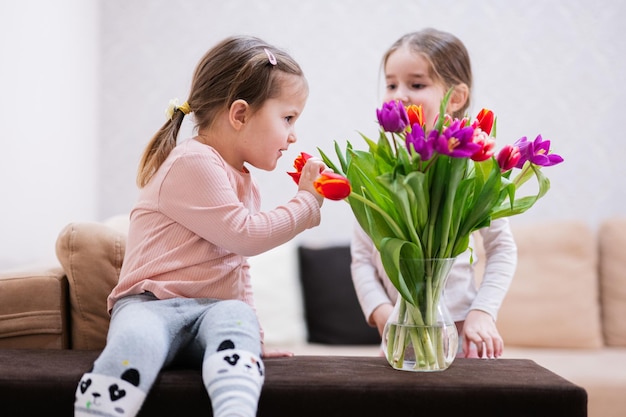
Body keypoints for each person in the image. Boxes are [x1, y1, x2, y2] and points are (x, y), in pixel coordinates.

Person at [74, 35, 328, 417]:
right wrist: (306, 204)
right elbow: (244, 236)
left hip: (211, 313)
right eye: (288, 118)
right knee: (136, 339)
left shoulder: (243, 180)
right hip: (151, 305)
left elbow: (235, 265)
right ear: (240, 114)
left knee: (236, 319)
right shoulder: (193, 161)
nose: (293, 135)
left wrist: (252, 337)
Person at [351, 28, 517, 360]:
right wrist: (382, 313)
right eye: (391, 84)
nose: (399, 95)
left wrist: (482, 312)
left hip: (459, 330)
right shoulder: (380, 170)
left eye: (416, 85)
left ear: (455, 98)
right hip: (400, 332)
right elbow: (362, 258)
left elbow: (502, 248)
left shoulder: (473, 168)